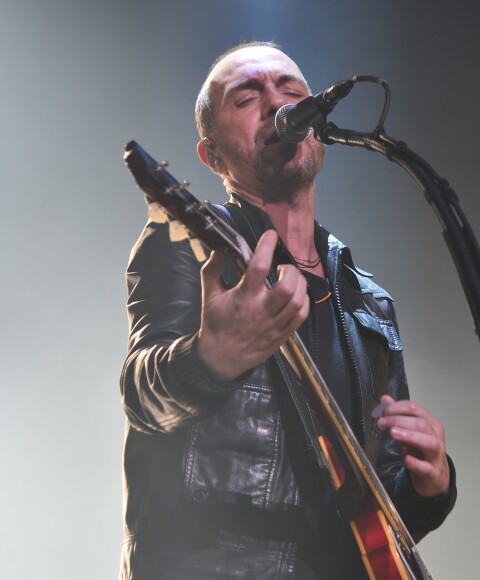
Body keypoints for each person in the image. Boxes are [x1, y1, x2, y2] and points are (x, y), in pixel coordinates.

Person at [119, 41, 456, 579]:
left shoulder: (366, 299)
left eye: (290, 91)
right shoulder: (189, 247)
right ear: (213, 156)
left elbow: (376, 515)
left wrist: (431, 485)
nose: (276, 104)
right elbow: (142, 396)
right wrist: (210, 360)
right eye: (246, 98)